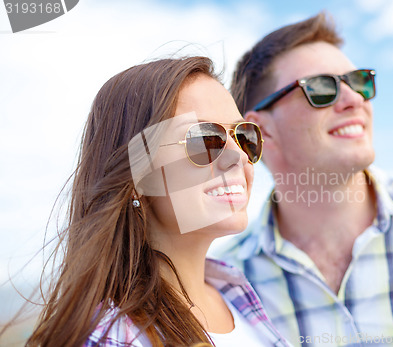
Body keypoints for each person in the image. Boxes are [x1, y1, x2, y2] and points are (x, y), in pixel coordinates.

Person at [213, 12, 393, 346]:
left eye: (359, 82)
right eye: (322, 88)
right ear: (261, 132)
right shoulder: (227, 282)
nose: (355, 99)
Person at [13, 57, 289, 347]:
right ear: (136, 177)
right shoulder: (111, 338)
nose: (240, 156)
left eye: (244, 136)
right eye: (205, 139)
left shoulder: (239, 296)